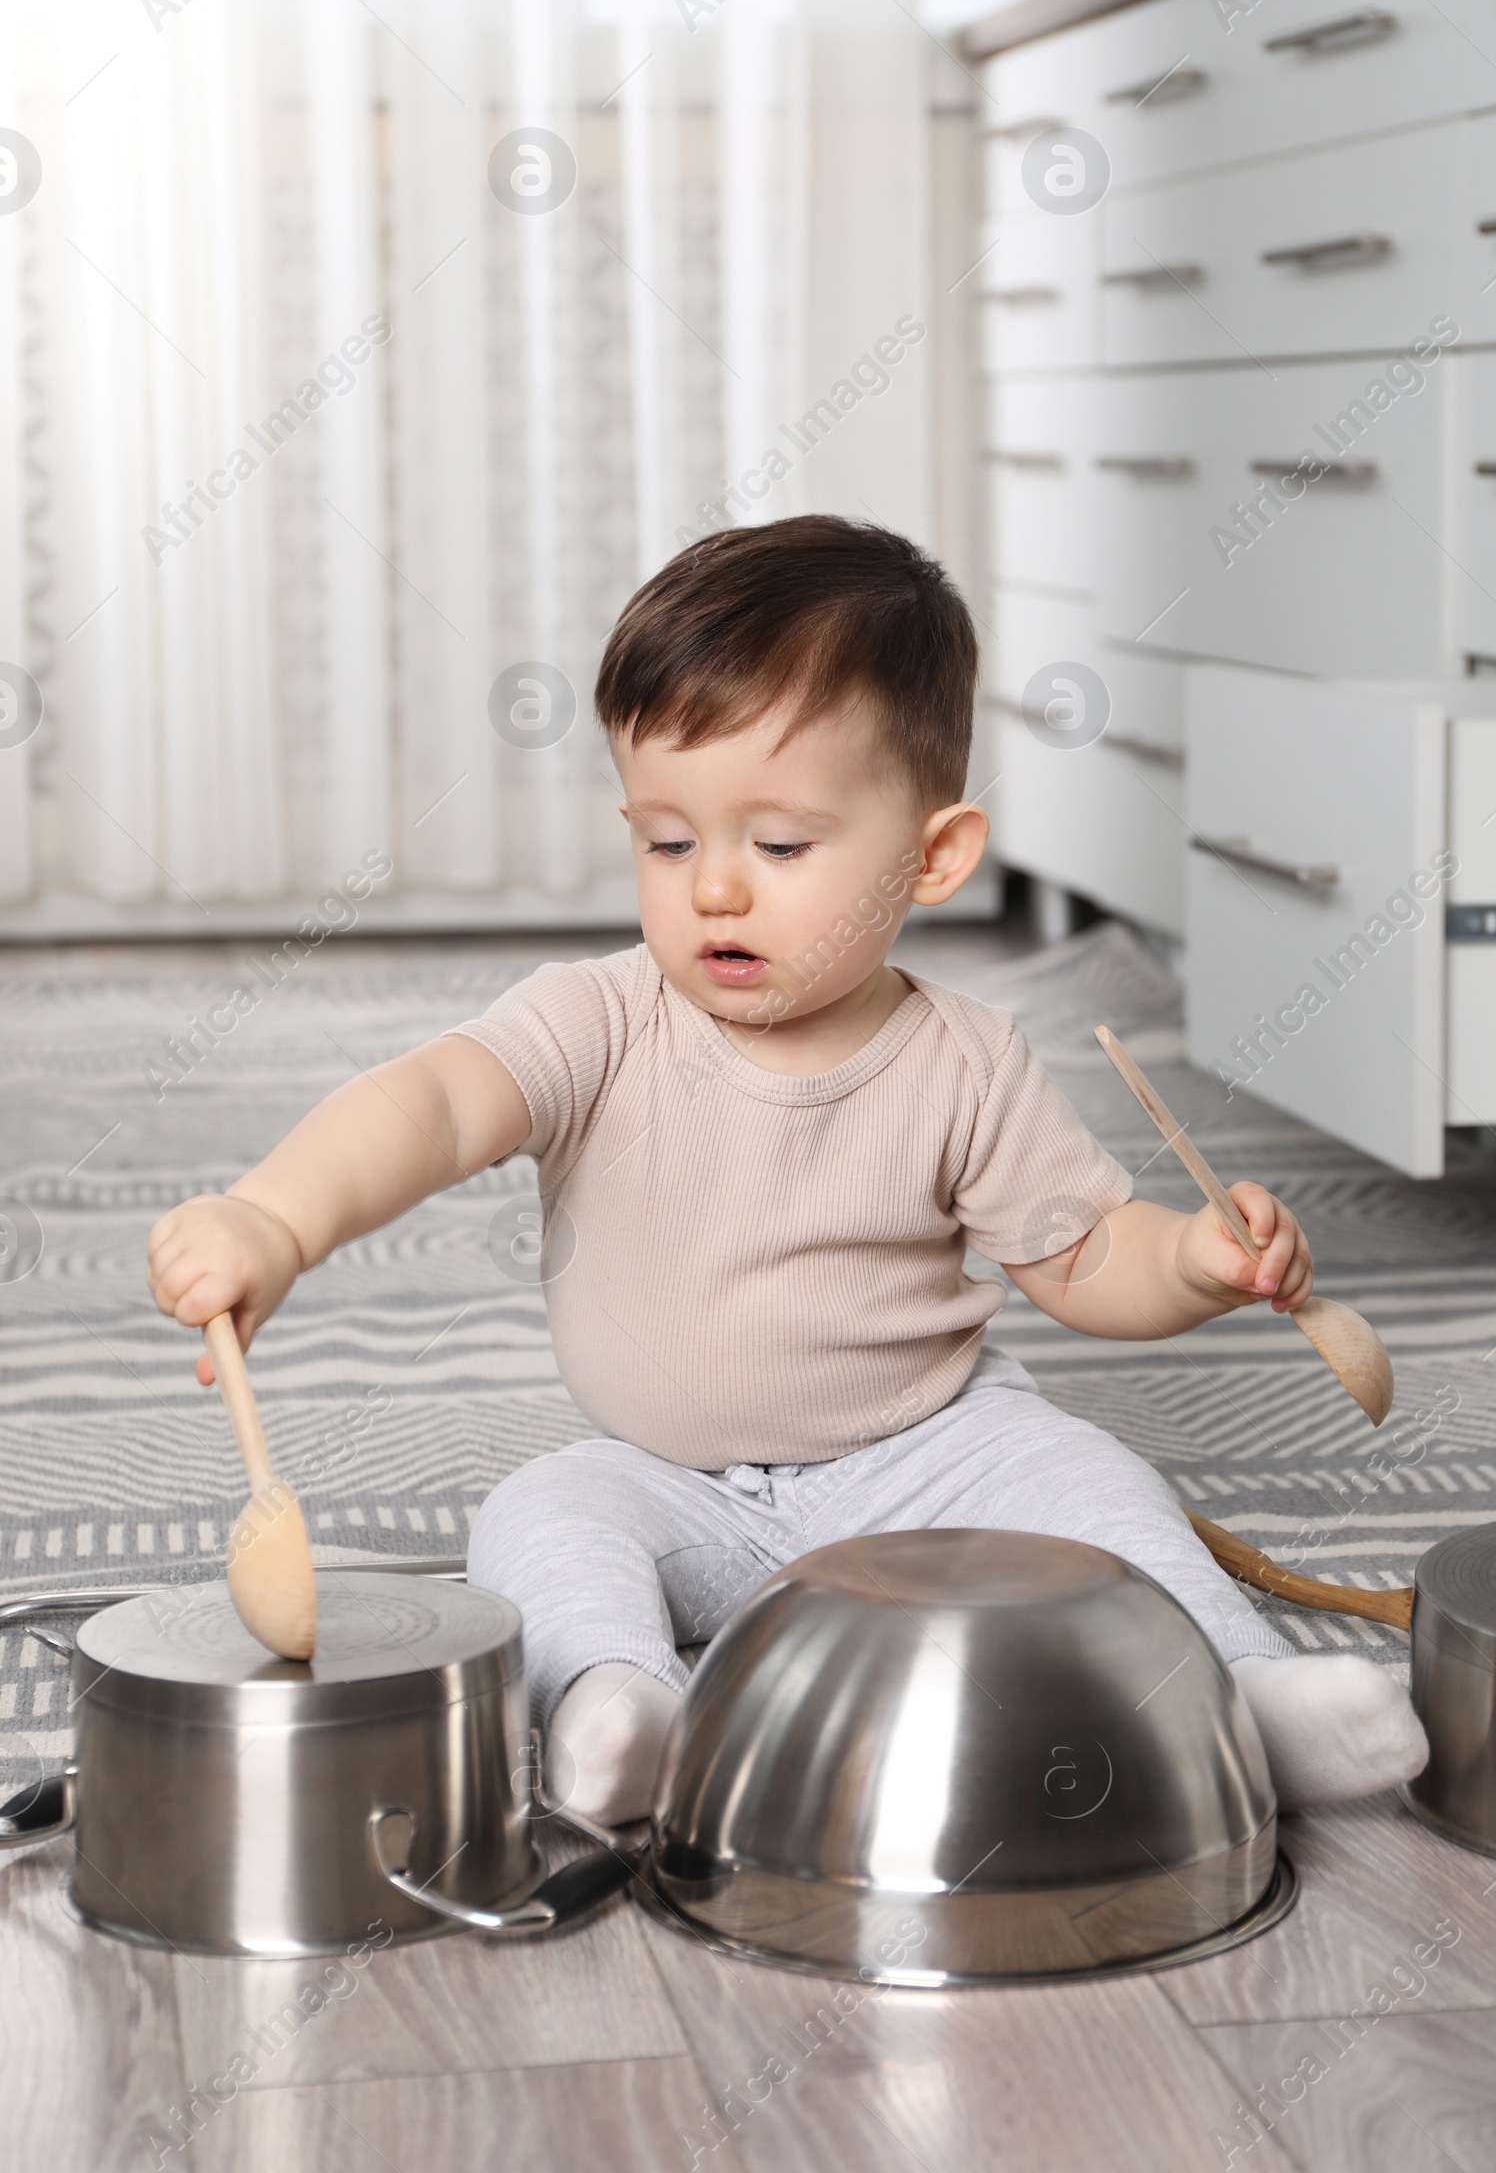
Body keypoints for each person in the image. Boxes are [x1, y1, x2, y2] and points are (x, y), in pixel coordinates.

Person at [148, 514, 1427, 1824]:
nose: (713, 892)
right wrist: (275, 1219)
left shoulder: (965, 1060)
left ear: (931, 857)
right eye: (668, 841)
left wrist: (1200, 1259)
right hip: (669, 1477)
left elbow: (1089, 1256)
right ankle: (619, 1705)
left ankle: (1244, 1695)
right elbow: (427, 1105)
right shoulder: (599, 1019)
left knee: (1098, 1483)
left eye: (779, 847)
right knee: (538, 1518)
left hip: (933, 1457)